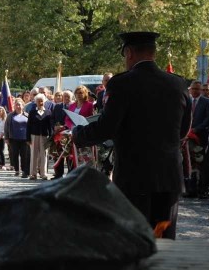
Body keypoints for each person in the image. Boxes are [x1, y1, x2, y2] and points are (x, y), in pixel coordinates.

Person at [73, 31, 191, 240]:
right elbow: (183, 130)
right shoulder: (178, 84)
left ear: (128, 53)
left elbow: (106, 128)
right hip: (168, 175)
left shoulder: (122, 83)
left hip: (135, 177)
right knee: (164, 238)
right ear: (154, 53)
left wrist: (79, 134)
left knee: (135, 240)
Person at [184, 81, 209, 198]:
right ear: (190, 89)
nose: (196, 91)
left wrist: (197, 129)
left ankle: (203, 190)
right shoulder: (187, 101)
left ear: (201, 90)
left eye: (198, 89)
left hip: (201, 137)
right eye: (194, 89)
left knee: (203, 164)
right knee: (190, 164)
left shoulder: (207, 102)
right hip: (188, 137)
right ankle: (191, 190)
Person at [27, 93, 53, 180]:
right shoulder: (32, 112)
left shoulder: (48, 112)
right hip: (34, 135)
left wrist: (51, 137)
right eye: (38, 101)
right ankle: (33, 174)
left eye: (41, 101)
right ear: (36, 102)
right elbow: (28, 125)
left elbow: (50, 126)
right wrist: (28, 138)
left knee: (44, 155)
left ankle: (43, 173)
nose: (40, 102)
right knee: (34, 155)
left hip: (45, 136)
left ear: (44, 101)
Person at [4, 98, 29, 177]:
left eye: (20, 105)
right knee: (14, 155)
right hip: (13, 138)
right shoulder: (10, 116)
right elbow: (6, 127)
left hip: (25, 138)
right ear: (14, 106)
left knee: (24, 155)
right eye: (17, 105)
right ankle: (17, 170)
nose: (18, 106)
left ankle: (24, 170)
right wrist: (6, 138)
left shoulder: (27, 115)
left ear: (23, 105)